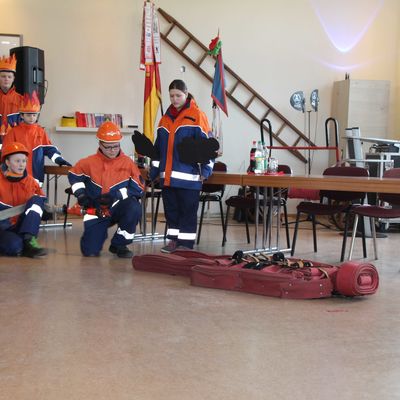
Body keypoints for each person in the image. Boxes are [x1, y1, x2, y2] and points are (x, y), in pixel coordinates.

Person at [150, 79, 214, 253]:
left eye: (178, 95)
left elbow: (208, 146)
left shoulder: (197, 116)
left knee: (187, 213)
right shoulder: (164, 119)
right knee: (171, 212)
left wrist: (206, 170)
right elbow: (158, 150)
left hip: (190, 178)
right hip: (168, 178)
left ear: (186, 94)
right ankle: (173, 241)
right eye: (171, 96)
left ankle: (185, 246)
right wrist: (154, 171)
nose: (175, 99)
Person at [68, 121, 144, 258]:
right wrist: (80, 195)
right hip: (95, 210)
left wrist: (116, 196)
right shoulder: (88, 163)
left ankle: (119, 244)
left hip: (117, 207)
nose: (113, 150)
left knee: (134, 207)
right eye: (108, 147)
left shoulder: (128, 163)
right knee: (90, 251)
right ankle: (95, 238)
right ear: (100, 144)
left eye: (116, 146)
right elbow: (74, 176)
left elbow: (138, 187)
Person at [3, 90, 71, 186]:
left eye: (34, 115)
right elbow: (6, 152)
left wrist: (58, 159)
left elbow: (49, 149)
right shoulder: (13, 132)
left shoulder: (40, 132)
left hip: (36, 177)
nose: (32, 118)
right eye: (28, 115)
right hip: (16, 177)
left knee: (35, 200)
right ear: (22, 115)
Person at [0, 141, 47, 258]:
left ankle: (29, 239)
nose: (22, 165)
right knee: (15, 248)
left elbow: (41, 202)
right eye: (17, 161)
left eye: (24, 161)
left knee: (37, 199)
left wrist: (44, 210)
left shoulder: (31, 182)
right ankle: (20, 242)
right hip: (3, 227)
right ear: (7, 162)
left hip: (23, 225)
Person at [0, 54, 23, 145]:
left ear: (13, 79)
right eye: (3, 76)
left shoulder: (22, 100)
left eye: (9, 77)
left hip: (14, 143)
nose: (6, 79)